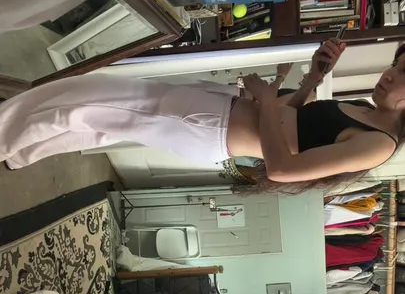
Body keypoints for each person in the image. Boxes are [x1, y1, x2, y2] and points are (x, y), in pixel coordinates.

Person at [1, 40, 404, 193]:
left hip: (211, 127)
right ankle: (20, 150)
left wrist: (266, 102)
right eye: (395, 64)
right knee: (105, 122)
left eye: (403, 73)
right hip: (218, 111)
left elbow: (282, 168)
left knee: (87, 100)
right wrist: (313, 79)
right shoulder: (366, 112)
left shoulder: (378, 146)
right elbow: (293, 122)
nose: (389, 74)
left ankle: (6, 137)